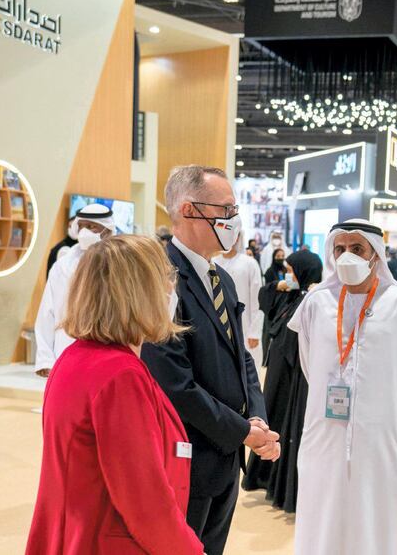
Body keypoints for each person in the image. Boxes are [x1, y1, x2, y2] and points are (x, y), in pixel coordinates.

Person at [26, 235, 203, 554]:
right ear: (141, 293)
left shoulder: (75, 357)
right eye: (165, 280)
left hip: (77, 534)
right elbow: (144, 500)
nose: (170, 291)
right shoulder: (120, 375)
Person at [141, 165, 279, 555]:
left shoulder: (223, 278)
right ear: (188, 210)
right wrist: (240, 431)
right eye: (226, 210)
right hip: (187, 455)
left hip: (226, 453)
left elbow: (243, 360)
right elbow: (174, 383)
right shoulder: (161, 280)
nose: (233, 220)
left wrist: (256, 417)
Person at [288, 219, 397, 555]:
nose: (347, 255)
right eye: (340, 249)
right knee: (322, 513)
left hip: (379, 435)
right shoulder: (316, 303)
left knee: (373, 515)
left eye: (357, 249)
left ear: (375, 255)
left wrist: (377, 402)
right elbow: (309, 363)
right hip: (326, 433)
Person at [242, 249, 322, 512]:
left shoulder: (315, 300)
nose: (288, 275)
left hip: (296, 376)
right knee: (273, 414)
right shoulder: (289, 296)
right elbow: (265, 296)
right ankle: (265, 477)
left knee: (289, 424)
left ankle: (282, 483)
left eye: (291, 270)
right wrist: (280, 283)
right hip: (278, 372)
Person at [34, 204, 115, 377]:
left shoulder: (121, 264)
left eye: (92, 227)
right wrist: (45, 358)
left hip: (108, 349)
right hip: (66, 347)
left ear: (107, 230)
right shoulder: (63, 265)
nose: (85, 231)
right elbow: (47, 312)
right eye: (82, 226)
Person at [214, 232, 263, 365]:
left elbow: (257, 300)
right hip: (218, 325)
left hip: (245, 326)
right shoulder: (213, 262)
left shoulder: (250, 263)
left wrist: (255, 332)